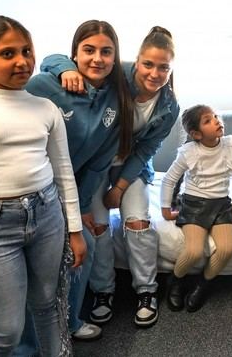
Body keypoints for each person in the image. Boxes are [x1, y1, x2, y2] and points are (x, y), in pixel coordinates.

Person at [0, 15, 86, 355]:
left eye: (26, 51)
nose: (22, 61)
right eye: (7, 53)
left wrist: (74, 230)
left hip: (46, 216)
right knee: (5, 333)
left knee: (49, 308)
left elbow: (63, 171)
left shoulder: (45, 107)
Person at [45, 27, 181, 328]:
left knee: (137, 221)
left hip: (130, 168)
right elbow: (52, 59)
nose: (154, 73)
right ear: (137, 61)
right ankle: (103, 291)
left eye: (163, 68)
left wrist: (120, 187)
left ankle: (146, 290)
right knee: (97, 226)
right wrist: (67, 68)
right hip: (96, 165)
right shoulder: (116, 74)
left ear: (171, 70)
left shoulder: (169, 107)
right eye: (148, 64)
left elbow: (146, 149)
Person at [25, 19, 134, 343]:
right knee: (39, 271)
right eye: (88, 50)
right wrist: (60, 66)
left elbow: (99, 165)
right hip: (32, 189)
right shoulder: (47, 84)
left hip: (71, 190)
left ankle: (70, 321)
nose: (97, 59)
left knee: (82, 247)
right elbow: (8, 94)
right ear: (74, 53)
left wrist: (83, 207)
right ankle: (32, 340)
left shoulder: (116, 98)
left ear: (115, 58)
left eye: (106, 52)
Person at [160, 104, 232, 312]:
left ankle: (203, 283)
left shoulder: (231, 145)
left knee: (227, 249)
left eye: (216, 116)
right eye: (208, 120)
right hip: (194, 204)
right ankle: (175, 281)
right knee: (194, 251)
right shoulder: (189, 153)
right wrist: (165, 208)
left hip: (221, 204)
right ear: (196, 134)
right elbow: (169, 180)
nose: (216, 120)